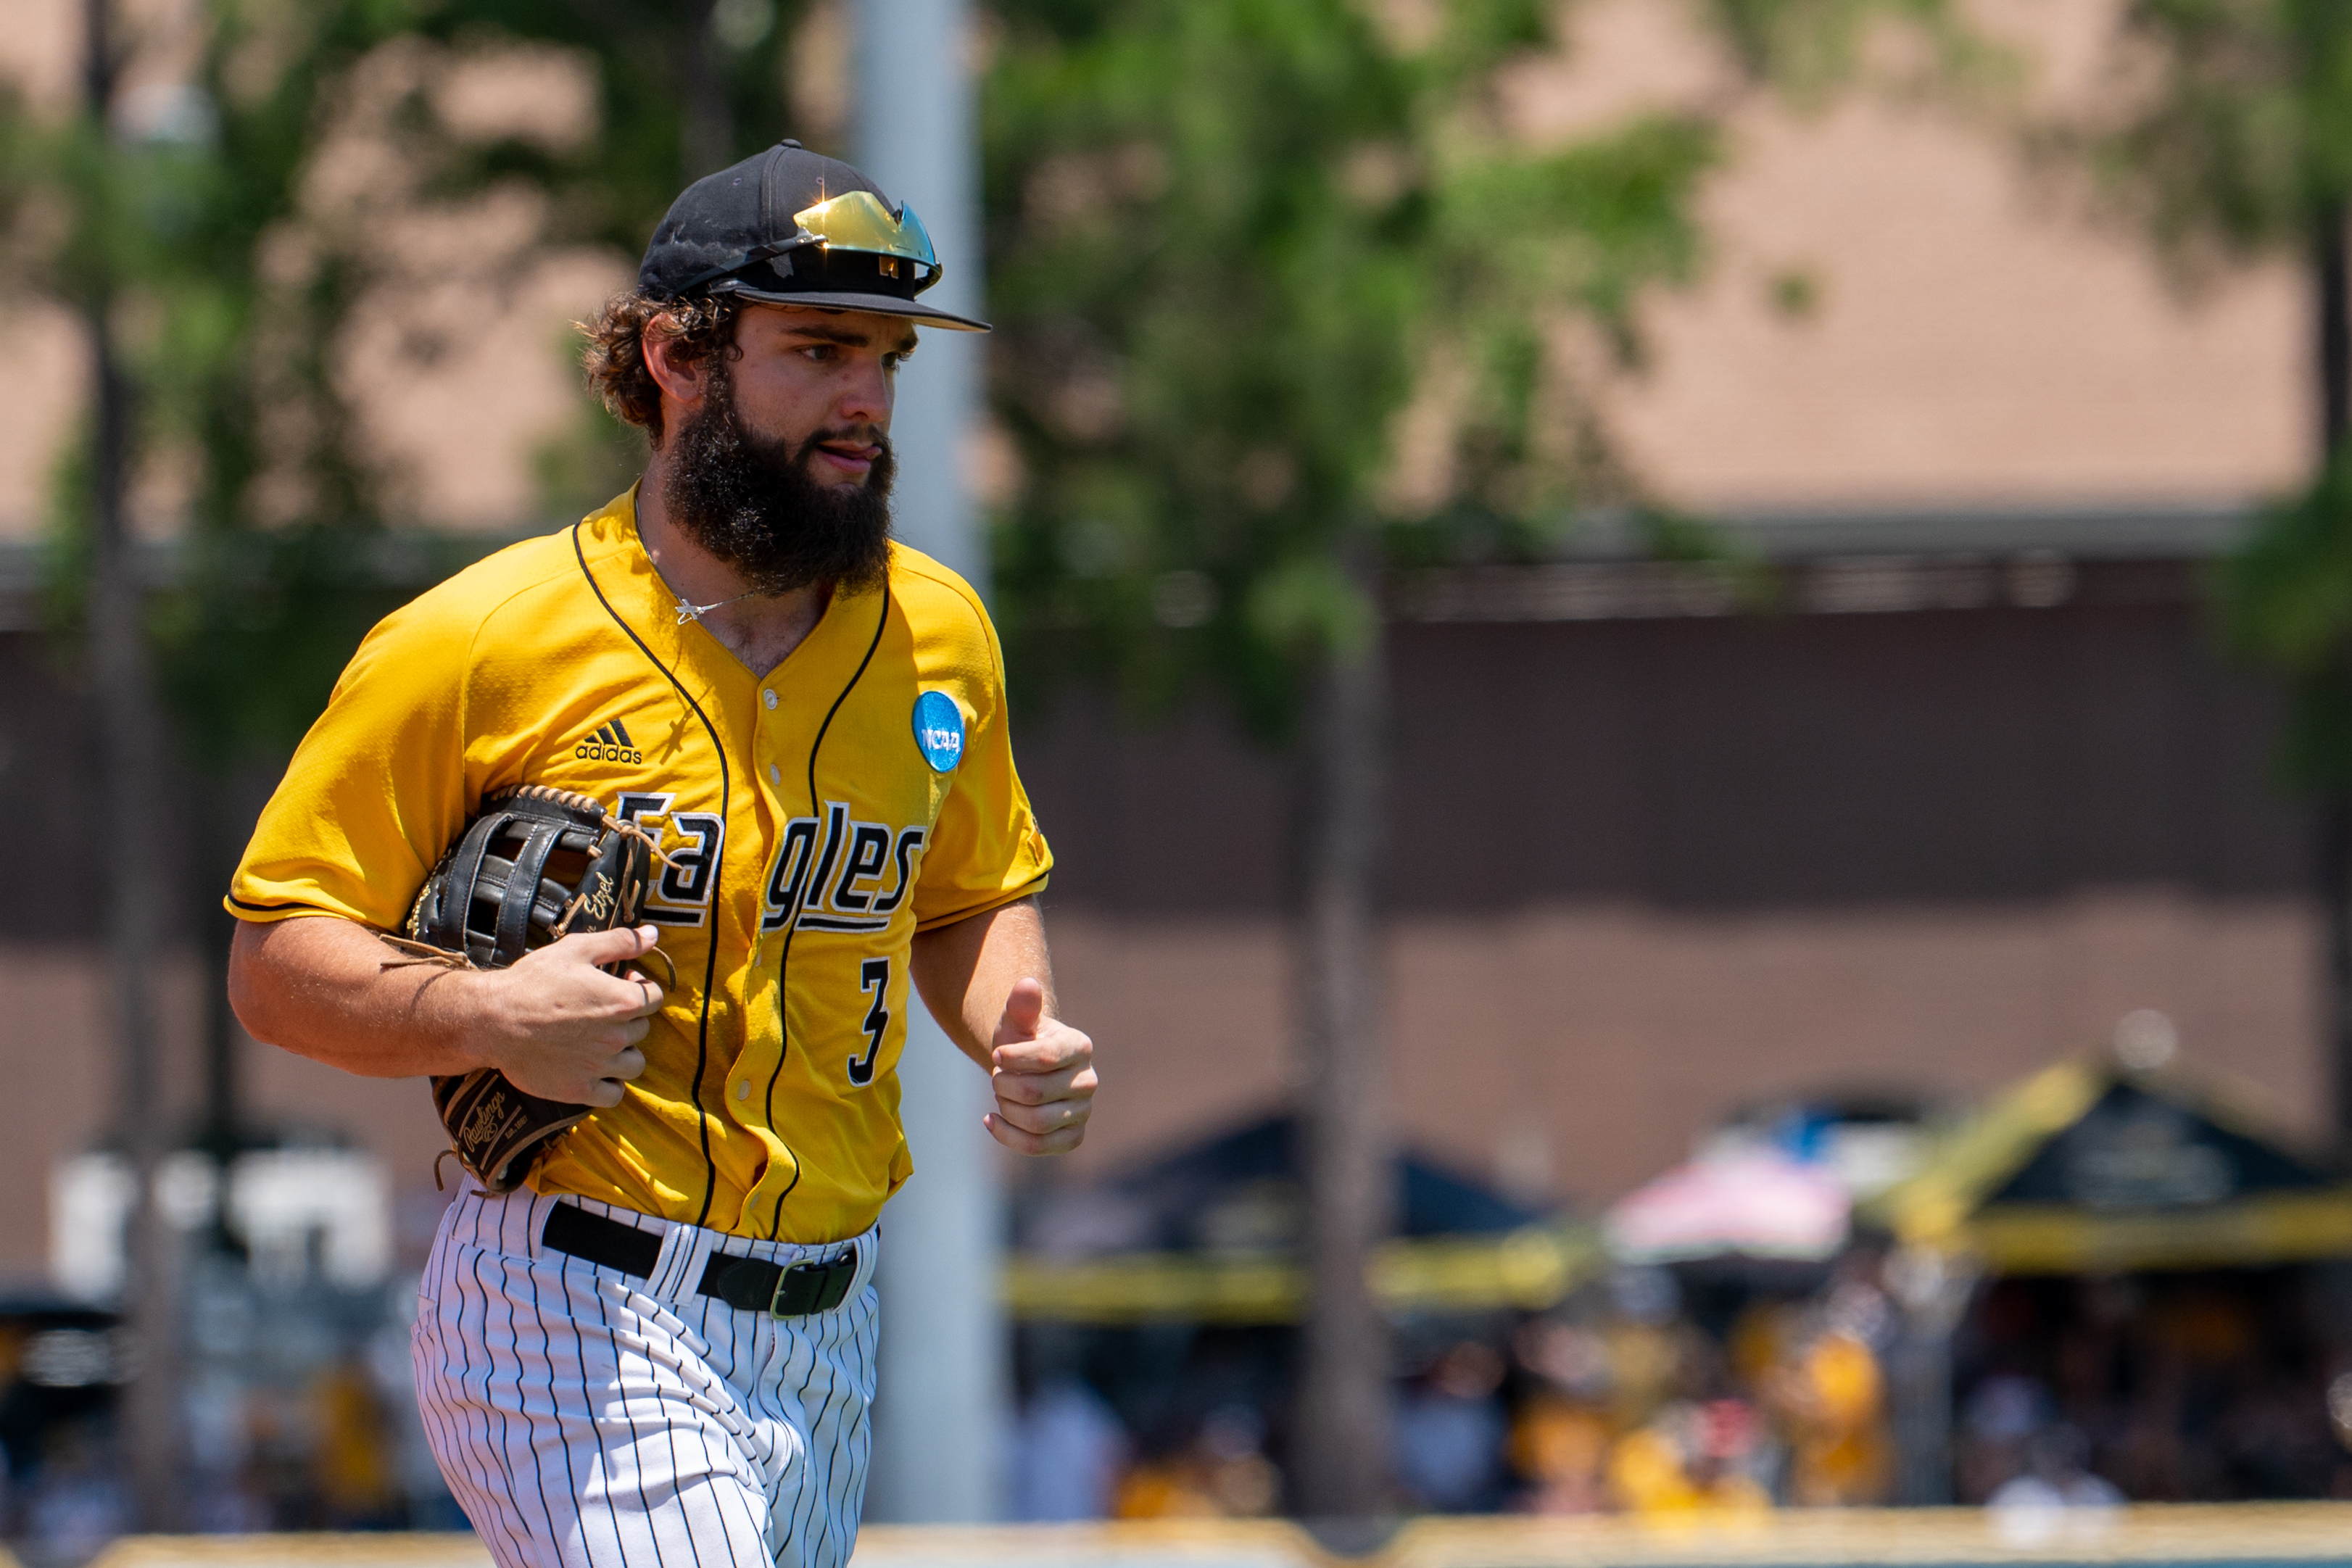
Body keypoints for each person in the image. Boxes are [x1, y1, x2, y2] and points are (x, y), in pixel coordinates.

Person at [223, 139, 1098, 1568]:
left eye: (885, 357)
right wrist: (487, 1014)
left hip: (825, 1329)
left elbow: (966, 896)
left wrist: (1017, 1024)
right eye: (818, 348)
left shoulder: (937, 635)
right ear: (676, 357)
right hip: (569, 1298)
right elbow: (277, 960)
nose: (867, 397)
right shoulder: (480, 640)